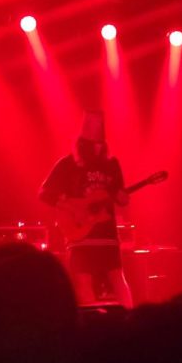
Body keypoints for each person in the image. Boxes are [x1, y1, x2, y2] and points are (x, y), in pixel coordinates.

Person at [39, 110, 133, 307]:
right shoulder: (68, 164)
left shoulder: (111, 164)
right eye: (92, 144)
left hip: (106, 233)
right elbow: (44, 193)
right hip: (79, 233)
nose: (97, 147)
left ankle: (129, 318)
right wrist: (69, 205)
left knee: (117, 278)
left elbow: (119, 195)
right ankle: (90, 325)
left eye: (100, 143)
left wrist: (122, 198)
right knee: (83, 282)